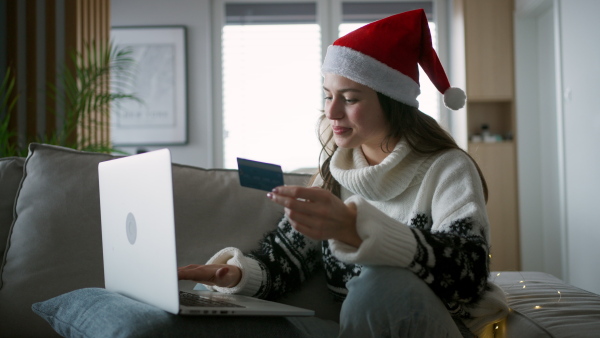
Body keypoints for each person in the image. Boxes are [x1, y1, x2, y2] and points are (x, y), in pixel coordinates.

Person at [178, 9, 508, 337]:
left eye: (349, 98)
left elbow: (469, 270)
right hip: (361, 327)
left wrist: (359, 230)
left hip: (445, 326)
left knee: (381, 283)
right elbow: (285, 260)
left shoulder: (447, 168)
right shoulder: (334, 173)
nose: (331, 112)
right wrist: (234, 275)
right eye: (328, 96)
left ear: (392, 102)